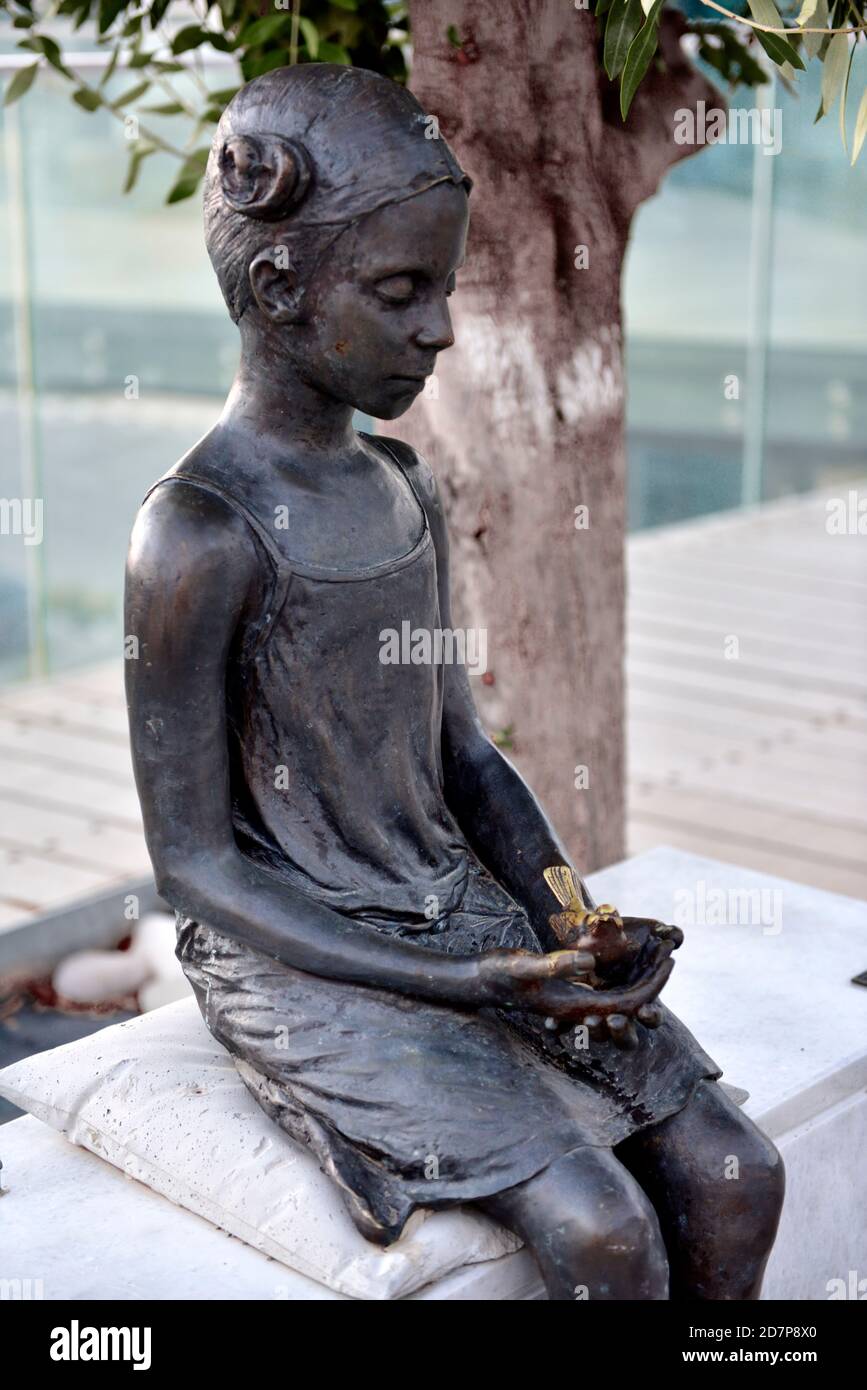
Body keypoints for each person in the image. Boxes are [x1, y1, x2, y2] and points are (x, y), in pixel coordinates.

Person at [125, 63, 784, 1300]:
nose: (439, 328)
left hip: (450, 911)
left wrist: (570, 917)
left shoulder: (402, 486)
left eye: (444, 286)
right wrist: (467, 982)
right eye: (400, 292)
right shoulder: (197, 535)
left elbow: (468, 760)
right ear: (279, 286)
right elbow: (196, 871)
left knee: (736, 1171)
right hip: (299, 957)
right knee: (601, 1232)